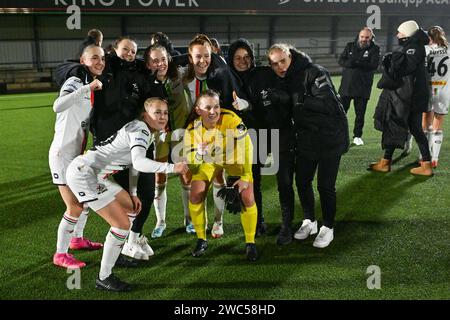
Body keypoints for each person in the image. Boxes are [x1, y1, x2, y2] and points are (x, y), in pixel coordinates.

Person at [66, 97, 189, 292]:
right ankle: (104, 277)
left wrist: (132, 193)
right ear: (145, 114)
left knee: (132, 208)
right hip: (84, 174)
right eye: (157, 112)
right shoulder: (140, 130)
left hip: (96, 175)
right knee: (121, 225)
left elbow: (133, 165)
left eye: (165, 112)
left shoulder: (145, 131)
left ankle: (118, 252)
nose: (163, 116)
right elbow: (140, 163)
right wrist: (172, 167)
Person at [267, 43, 349, 248]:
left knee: (325, 186)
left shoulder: (313, 71)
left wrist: (300, 101)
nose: (280, 67)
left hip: (330, 136)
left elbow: (330, 105)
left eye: (283, 61)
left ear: (291, 56)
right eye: (275, 64)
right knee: (302, 181)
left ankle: (328, 227)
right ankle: (310, 221)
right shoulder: (283, 80)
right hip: (307, 138)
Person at [90, 36, 159, 261]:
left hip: (139, 139)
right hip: (113, 145)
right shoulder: (104, 66)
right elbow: (73, 66)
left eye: (133, 51)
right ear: (114, 50)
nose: (129, 54)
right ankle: (118, 246)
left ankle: (133, 237)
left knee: (147, 192)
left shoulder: (141, 70)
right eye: (125, 50)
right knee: (120, 199)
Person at [182, 34, 250, 238]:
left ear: (212, 54)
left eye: (206, 55)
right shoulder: (181, 75)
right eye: (198, 56)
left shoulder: (221, 73)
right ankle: (189, 220)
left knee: (218, 174)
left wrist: (243, 105)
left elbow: (238, 100)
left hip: (216, 133)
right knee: (187, 175)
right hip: (188, 132)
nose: (202, 60)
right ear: (190, 56)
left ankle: (218, 222)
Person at [183, 90, 258, 261]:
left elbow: (247, 147)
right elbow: (193, 165)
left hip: (234, 159)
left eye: (216, 106)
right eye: (207, 107)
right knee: (195, 195)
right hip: (210, 161)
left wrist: (246, 176)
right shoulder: (191, 130)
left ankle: (250, 242)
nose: (213, 111)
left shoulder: (231, 119)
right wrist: (200, 154)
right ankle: (202, 239)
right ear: (198, 110)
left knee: (247, 197)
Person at [51, 45, 105, 269]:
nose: (100, 62)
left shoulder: (92, 84)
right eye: (94, 58)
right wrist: (87, 88)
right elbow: (57, 106)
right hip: (62, 155)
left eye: (102, 58)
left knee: (84, 201)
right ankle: (60, 254)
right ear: (83, 61)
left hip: (76, 156)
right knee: (74, 207)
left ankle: (77, 239)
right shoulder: (76, 81)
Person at [143, 44, 194, 237]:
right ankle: (161, 222)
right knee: (160, 177)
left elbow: (198, 60)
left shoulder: (180, 74)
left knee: (185, 176)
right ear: (148, 64)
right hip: (159, 136)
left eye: (163, 59)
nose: (160, 63)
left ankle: (189, 220)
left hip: (182, 134)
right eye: (155, 60)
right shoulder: (146, 83)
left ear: (169, 59)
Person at [370, 20, 433, 176]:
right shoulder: (417, 46)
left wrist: (393, 60)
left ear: (407, 34)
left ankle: (387, 163)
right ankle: (424, 164)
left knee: (395, 124)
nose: (397, 35)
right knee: (413, 129)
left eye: (400, 33)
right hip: (415, 95)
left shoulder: (413, 47)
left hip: (410, 96)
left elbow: (406, 68)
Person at [227, 38, 268, 236]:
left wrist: (249, 105)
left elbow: (266, 106)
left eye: (246, 57)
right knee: (235, 178)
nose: (242, 61)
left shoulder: (260, 75)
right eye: (237, 58)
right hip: (232, 138)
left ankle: (258, 220)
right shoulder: (225, 78)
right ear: (231, 59)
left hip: (256, 134)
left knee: (255, 180)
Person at [338, 27, 380, 146]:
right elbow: (341, 60)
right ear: (359, 36)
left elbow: (374, 65)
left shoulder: (375, 49)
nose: (364, 39)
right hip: (346, 86)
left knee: (360, 114)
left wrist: (355, 62)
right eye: (362, 37)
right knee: (341, 112)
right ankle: (339, 134)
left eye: (367, 37)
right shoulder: (350, 46)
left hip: (363, 88)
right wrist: (350, 63)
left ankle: (357, 136)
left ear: (371, 38)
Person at [423, 26, 449, 168]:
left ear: (429, 37)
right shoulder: (449, 50)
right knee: (438, 123)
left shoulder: (426, 50)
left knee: (426, 122)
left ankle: (423, 156)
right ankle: (435, 158)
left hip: (428, 89)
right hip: (444, 90)